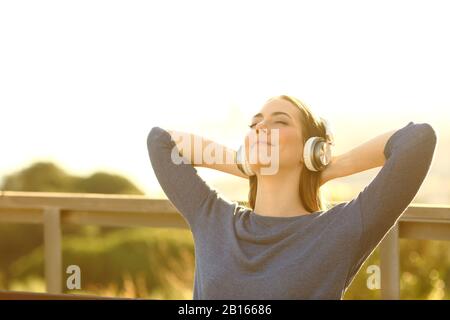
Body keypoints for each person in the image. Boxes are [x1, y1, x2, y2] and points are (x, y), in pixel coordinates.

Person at [146, 95, 437, 299]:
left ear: (310, 148)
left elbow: (418, 140)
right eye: (255, 123)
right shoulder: (212, 218)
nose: (261, 127)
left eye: (280, 122)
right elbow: (161, 142)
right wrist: (246, 163)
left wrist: (323, 165)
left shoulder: (340, 230)